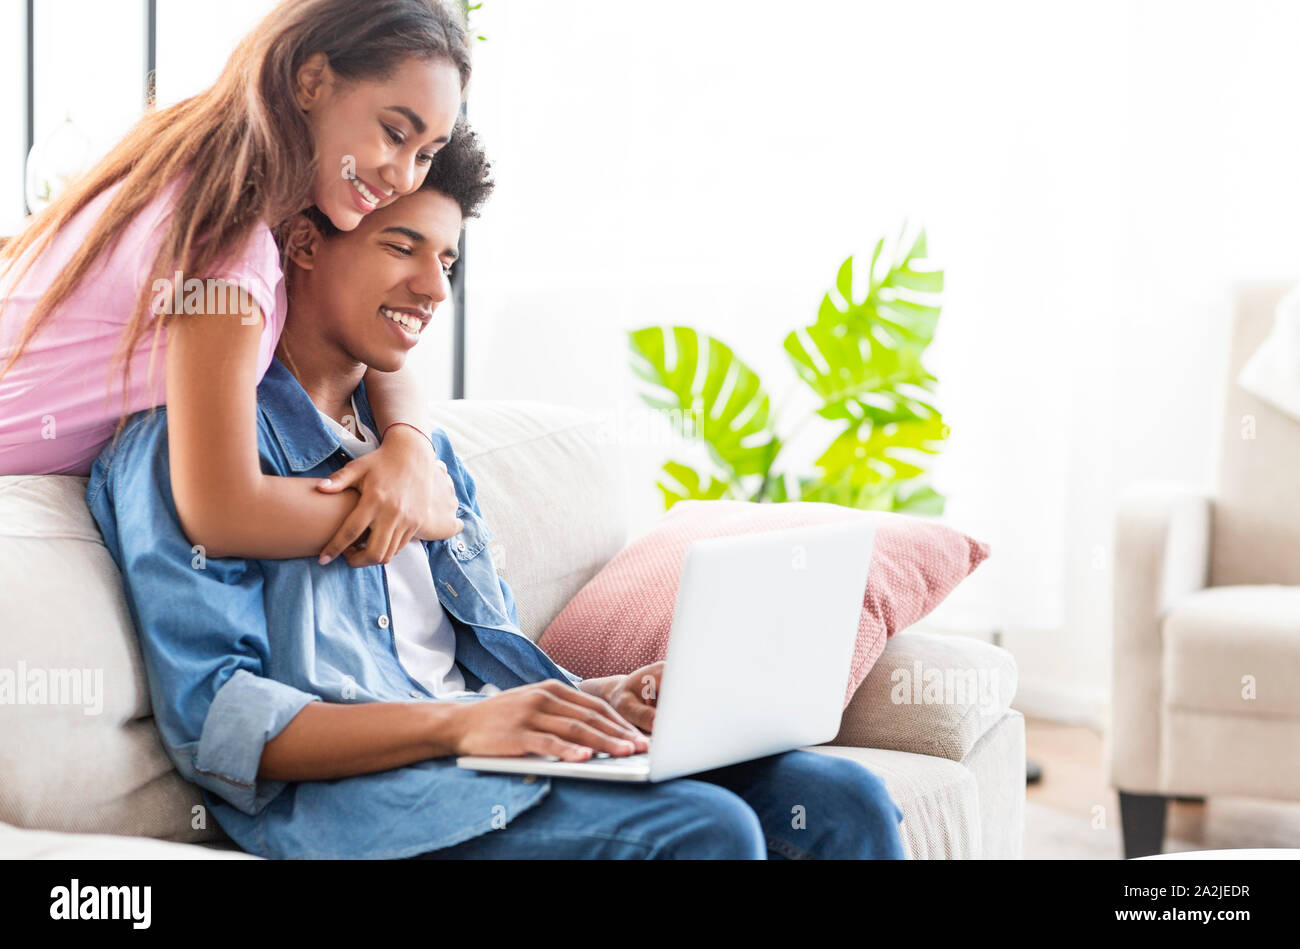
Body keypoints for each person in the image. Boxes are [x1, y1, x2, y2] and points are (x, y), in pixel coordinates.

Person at [87, 121, 908, 860]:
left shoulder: (426, 452)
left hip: (485, 758)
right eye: (401, 247)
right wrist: (462, 724)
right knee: (708, 829)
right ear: (303, 242)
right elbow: (220, 727)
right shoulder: (188, 449)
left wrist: (598, 700)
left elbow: (476, 669)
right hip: (366, 806)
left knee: (842, 801)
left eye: (444, 260)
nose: (433, 290)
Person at [1, 0, 472, 568]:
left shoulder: (208, 172)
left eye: (426, 154)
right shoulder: (226, 246)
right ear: (312, 81)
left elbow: (369, 350)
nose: (403, 176)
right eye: (394, 133)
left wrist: (408, 446)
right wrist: (418, 514)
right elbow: (224, 514)